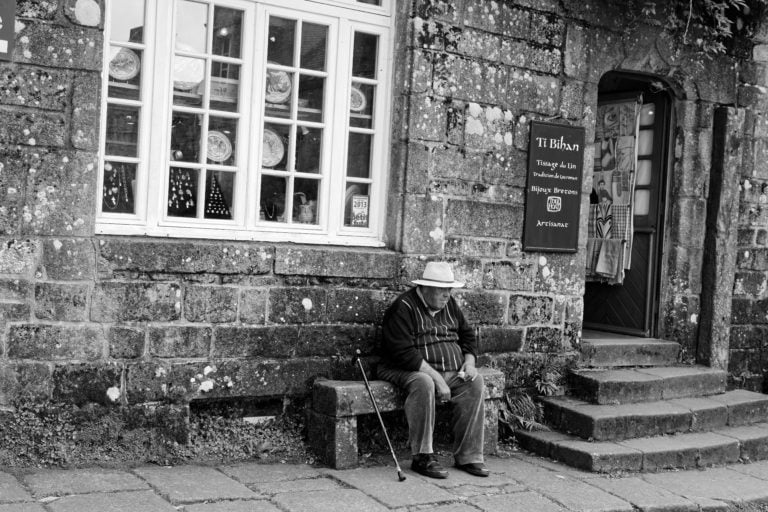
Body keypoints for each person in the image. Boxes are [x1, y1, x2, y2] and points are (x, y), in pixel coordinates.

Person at [378, 261, 489, 479]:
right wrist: (438, 378)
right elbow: (403, 353)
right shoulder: (404, 307)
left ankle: (468, 456)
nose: (447, 295)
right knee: (424, 382)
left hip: (449, 370)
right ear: (425, 288)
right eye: (442, 290)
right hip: (403, 369)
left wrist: (469, 363)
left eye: (449, 289)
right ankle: (423, 456)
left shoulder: (449, 305)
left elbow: (467, 336)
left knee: (475, 382)